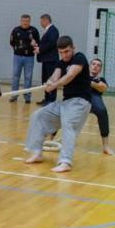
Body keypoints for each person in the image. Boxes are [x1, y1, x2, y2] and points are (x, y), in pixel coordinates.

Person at [23, 36, 92, 172]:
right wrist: (50, 82)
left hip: (80, 102)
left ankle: (66, 162)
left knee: (68, 123)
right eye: (61, 52)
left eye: (67, 51)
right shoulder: (61, 63)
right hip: (66, 103)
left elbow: (70, 76)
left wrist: (54, 85)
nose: (64, 55)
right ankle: (37, 153)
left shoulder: (79, 58)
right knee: (38, 115)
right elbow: (55, 76)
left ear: (73, 48)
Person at [9, 14, 39, 104]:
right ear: (21, 21)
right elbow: (11, 42)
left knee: (28, 77)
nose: (25, 23)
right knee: (15, 76)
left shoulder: (34, 31)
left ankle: (27, 97)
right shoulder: (15, 30)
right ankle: (14, 96)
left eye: (27, 21)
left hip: (29, 58)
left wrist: (35, 43)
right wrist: (18, 50)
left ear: (30, 21)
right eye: (23, 21)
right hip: (17, 57)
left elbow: (38, 43)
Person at [89, 58, 114, 155]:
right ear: (89, 66)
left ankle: (106, 146)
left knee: (102, 111)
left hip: (94, 97)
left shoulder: (101, 79)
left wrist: (89, 83)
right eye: (93, 64)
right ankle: (50, 139)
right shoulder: (81, 75)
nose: (95, 66)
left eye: (98, 65)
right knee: (63, 111)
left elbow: (102, 88)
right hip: (81, 97)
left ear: (100, 69)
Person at [35, 14, 59, 105]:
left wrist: (40, 49)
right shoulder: (49, 30)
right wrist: (38, 46)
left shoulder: (53, 30)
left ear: (46, 20)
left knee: (51, 80)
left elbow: (51, 44)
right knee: (45, 80)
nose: (40, 23)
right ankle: (47, 98)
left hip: (51, 60)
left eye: (41, 21)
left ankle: (51, 100)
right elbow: (46, 43)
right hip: (46, 60)